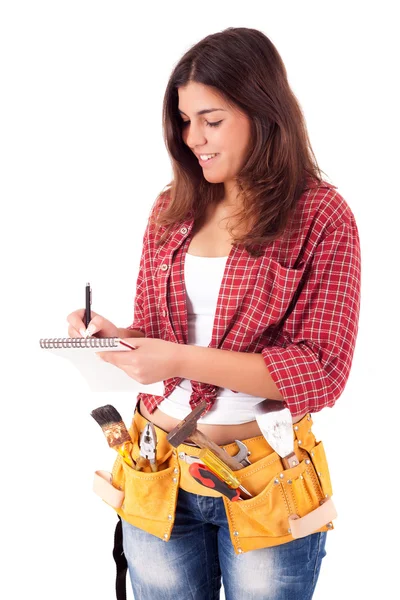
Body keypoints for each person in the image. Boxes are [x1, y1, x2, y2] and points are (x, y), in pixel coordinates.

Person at [67, 27, 361, 600]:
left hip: (265, 477)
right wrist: (115, 337)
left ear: (262, 111)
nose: (193, 137)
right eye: (184, 119)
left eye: (212, 119)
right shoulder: (170, 209)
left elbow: (321, 372)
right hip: (158, 469)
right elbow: (158, 334)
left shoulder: (322, 215)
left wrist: (175, 357)